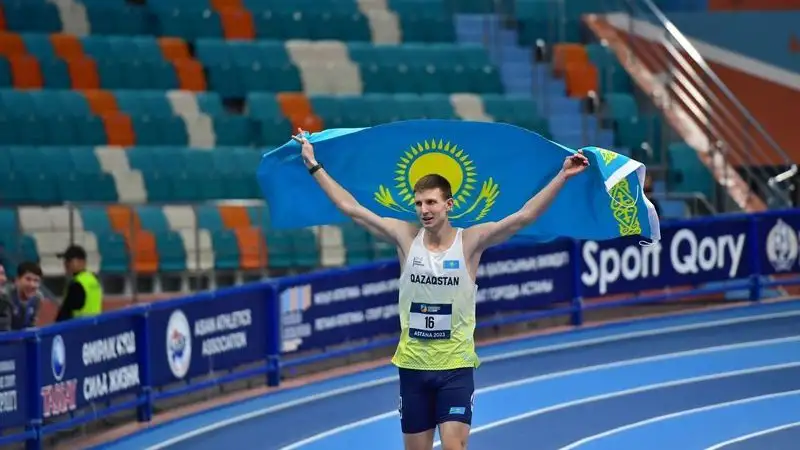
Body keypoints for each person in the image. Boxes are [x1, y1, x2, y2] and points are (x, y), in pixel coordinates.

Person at [292, 127, 589, 450]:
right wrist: (313, 165)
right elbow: (352, 208)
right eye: (419, 203)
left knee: (453, 446)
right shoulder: (405, 238)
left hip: (455, 368)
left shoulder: (470, 242)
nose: (424, 210)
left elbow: (524, 217)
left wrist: (562, 175)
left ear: (449, 204)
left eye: (431, 202)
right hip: (413, 367)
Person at [55, 245, 103, 322]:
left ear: (81, 262)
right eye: (65, 260)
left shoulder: (76, 284)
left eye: (69, 260)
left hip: (79, 326)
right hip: (95, 324)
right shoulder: (94, 279)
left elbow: (65, 313)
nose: (65, 264)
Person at [0, 261, 44, 331]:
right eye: (28, 279)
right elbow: (4, 330)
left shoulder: (37, 298)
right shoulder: (4, 297)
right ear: (17, 280)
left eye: (36, 281)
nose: (32, 285)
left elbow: (32, 325)